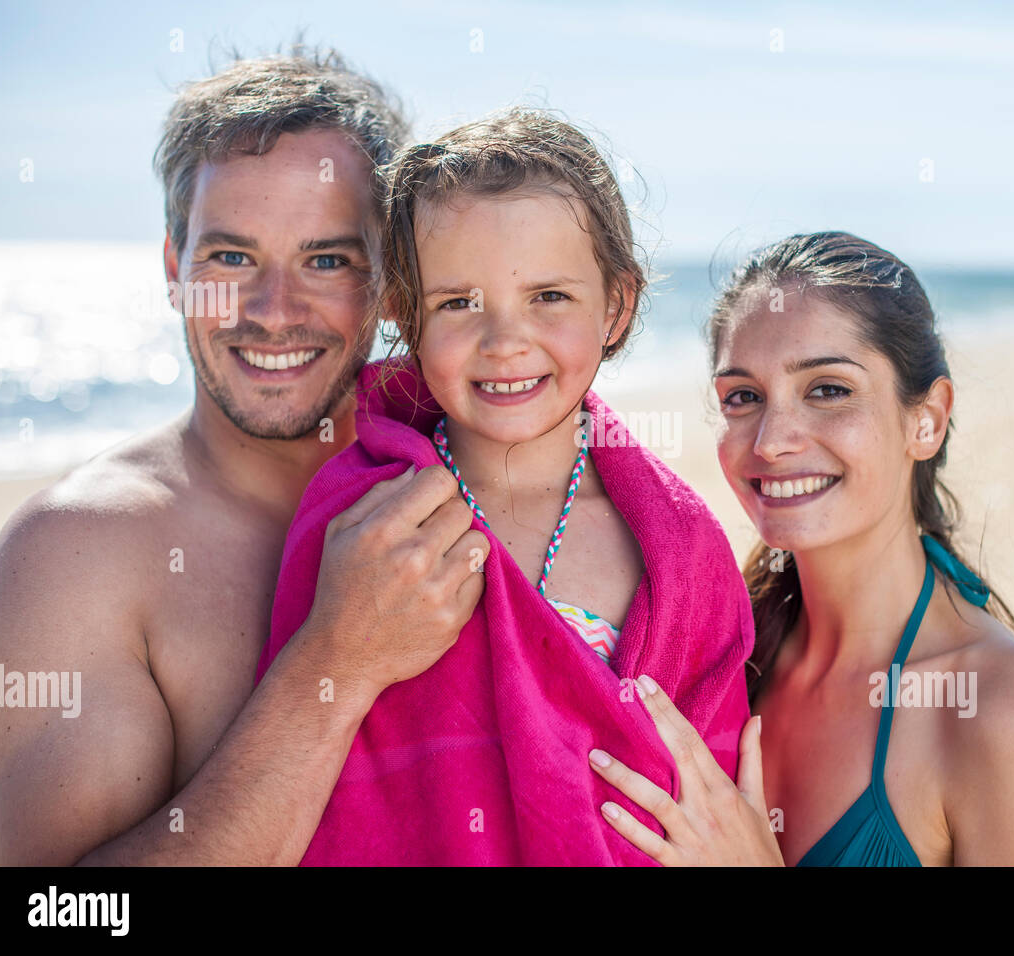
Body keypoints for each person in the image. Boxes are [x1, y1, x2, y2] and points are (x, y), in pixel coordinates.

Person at [0, 48, 486, 865]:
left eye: (326, 260)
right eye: (231, 258)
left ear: (392, 279)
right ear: (176, 269)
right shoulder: (76, 556)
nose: (273, 312)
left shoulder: (475, 483)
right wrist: (335, 665)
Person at [256, 109, 755, 864]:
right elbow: (315, 777)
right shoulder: (362, 516)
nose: (504, 340)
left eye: (549, 297)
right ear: (404, 315)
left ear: (615, 305)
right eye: (458, 303)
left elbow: (713, 790)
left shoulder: (680, 548)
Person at [589, 231, 1014, 865]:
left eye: (828, 389)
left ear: (926, 418)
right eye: (743, 397)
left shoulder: (1002, 709)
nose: (771, 440)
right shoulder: (721, 652)